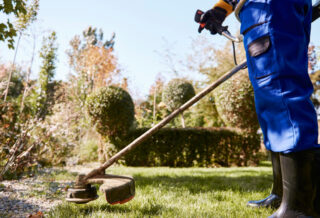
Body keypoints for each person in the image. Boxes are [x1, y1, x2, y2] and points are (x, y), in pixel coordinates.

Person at [197, 0, 320, 217]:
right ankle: (282, 195)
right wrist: (220, 10)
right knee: (269, 101)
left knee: (280, 91)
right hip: (259, 10)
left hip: (270, 7)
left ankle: (300, 205)